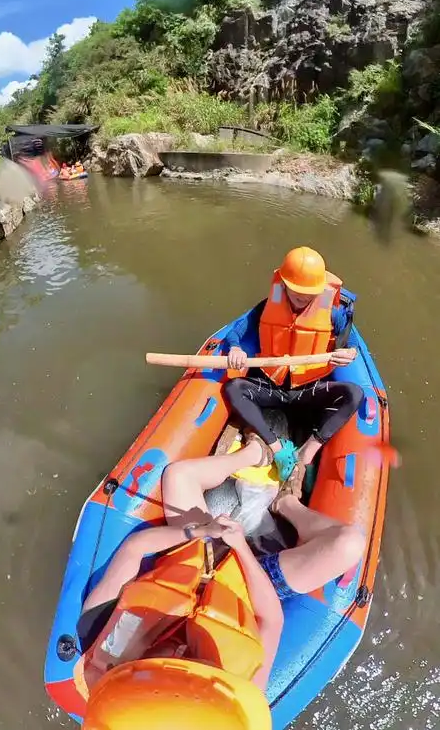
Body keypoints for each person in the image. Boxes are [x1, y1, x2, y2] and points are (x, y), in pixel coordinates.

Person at [73, 438, 365, 730]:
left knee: (179, 475)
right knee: (349, 544)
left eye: (185, 666)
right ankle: (287, 503)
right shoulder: (239, 690)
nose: (186, 655)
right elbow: (271, 620)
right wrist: (240, 549)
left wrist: (200, 531)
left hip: (196, 549)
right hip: (247, 589)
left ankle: (254, 454)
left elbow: (136, 548)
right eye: (205, 673)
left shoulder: (103, 643)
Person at [224, 246, 363, 491]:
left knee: (355, 394)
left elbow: (351, 342)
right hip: (271, 386)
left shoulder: (333, 313)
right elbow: (237, 331)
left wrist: (350, 352)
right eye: (296, 289)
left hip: (307, 390)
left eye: (309, 292)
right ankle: (277, 449)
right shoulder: (267, 305)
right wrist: (235, 348)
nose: (302, 296)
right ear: (284, 283)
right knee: (234, 388)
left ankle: (307, 453)